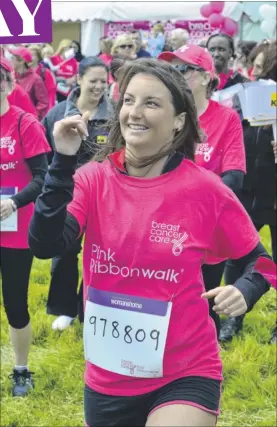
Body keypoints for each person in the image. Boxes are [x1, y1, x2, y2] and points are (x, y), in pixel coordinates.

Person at [29, 58, 274, 427]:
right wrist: (62, 161)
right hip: (108, 377)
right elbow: (45, 244)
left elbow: (263, 261)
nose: (135, 112)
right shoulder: (92, 179)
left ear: (179, 120)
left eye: (151, 103)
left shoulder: (205, 189)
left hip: (186, 371)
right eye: (128, 100)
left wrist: (246, 288)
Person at [159, 45, 246, 337]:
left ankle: (205, 362)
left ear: (207, 77)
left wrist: (196, 202)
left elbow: (234, 176)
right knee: (163, 292)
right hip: (162, 218)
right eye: (173, 70)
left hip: (206, 222)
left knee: (204, 296)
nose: (177, 76)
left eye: (183, 69)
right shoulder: (166, 113)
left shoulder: (226, 118)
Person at [42, 56, 113, 330]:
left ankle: (90, 308)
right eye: (92, 81)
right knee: (65, 252)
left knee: (101, 255)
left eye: (103, 82)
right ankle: (64, 308)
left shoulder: (115, 113)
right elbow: (46, 156)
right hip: (68, 197)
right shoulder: (58, 113)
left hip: (105, 197)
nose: (98, 87)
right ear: (79, 79)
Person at [221, 40, 277, 343]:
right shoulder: (243, 97)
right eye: (252, 67)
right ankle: (232, 317)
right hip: (250, 192)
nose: (253, 74)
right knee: (238, 256)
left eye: (259, 68)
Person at [0, 57, 50, 396]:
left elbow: (43, 177)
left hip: (14, 230)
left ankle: (21, 369)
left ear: (8, 82)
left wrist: (13, 202)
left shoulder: (24, 123)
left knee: (14, 302)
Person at [8, 46, 49, 120]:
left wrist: (33, 119)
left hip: (27, 123)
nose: (10, 61)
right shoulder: (10, 77)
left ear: (22, 61)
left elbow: (43, 103)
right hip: (11, 121)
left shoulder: (36, 79)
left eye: (12, 58)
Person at [29, 45, 56, 111]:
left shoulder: (46, 72)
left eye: (32, 55)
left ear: (38, 57)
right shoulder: (24, 73)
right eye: (28, 55)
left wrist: (49, 111)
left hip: (43, 111)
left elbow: (51, 93)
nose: (30, 57)